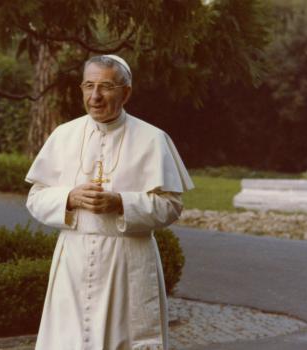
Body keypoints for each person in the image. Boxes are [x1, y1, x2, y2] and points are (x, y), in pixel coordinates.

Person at [25, 54, 193, 350]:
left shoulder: (153, 139)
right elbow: (35, 198)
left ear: (125, 92)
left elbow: (171, 205)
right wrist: (68, 197)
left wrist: (121, 203)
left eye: (105, 87)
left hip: (127, 261)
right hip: (73, 261)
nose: (95, 96)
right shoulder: (63, 135)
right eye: (89, 86)